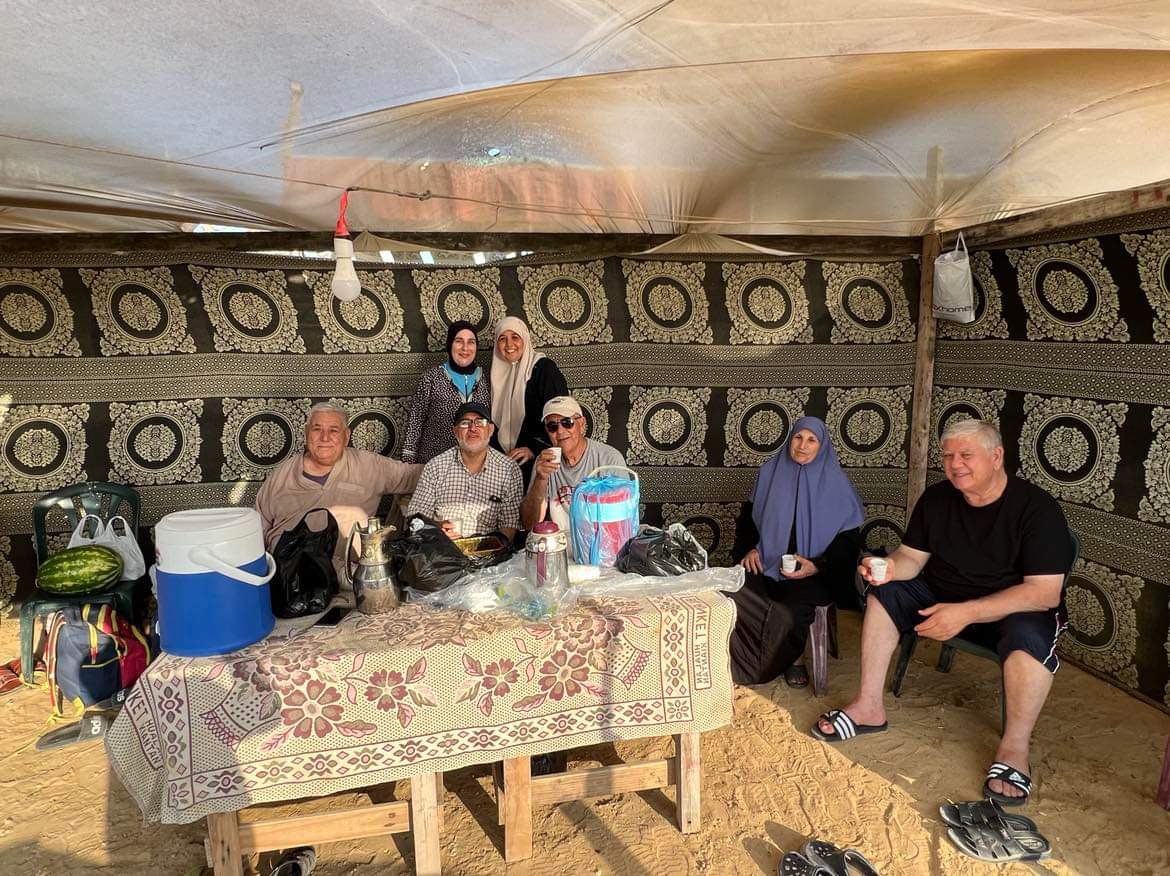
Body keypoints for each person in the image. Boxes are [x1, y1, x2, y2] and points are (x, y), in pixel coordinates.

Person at [811, 418, 1074, 807]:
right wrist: (887, 568)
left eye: (966, 455)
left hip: (1013, 607)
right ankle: (869, 706)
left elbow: (1043, 593)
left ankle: (1014, 748)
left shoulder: (1036, 510)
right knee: (886, 592)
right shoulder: (936, 499)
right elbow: (912, 559)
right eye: (948, 456)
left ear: (996, 456)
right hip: (942, 597)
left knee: (1029, 637)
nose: (955, 464)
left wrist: (966, 612)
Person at [729, 417, 864, 688]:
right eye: (797, 438)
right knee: (734, 593)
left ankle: (793, 658)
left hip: (814, 573)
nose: (802, 445)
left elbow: (848, 539)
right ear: (789, 440)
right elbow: (748, 519)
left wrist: (818, 565)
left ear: (822, 445)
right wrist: (750, 549)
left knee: (791, 610)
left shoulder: (836, 482)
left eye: (811, 440)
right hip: (766, 563)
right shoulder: (770, 472)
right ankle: (740, 659)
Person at [255, 402, 421, 577]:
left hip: (350, 575)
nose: (325, 438)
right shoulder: (283, 474)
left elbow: (416, 475)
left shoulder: (369, 465)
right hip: (291, 577)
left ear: (346, 436)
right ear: (306, 433)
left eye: (333, 430)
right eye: (317, 429)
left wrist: (450, 462)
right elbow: (258, 526)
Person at [407, 402, 523, 541]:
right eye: (465, 423)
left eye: (480, 422)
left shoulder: (509, 470)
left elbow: (509, 526)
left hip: (488, 554)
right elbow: (415, 517)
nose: (472, 428)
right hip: (442, 551)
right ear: (455, 431)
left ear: (491, 429)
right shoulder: (436, 467)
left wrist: (489, 552)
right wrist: (437, 529)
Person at [519, 395, 626, 543]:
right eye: (552, 426)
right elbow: (529, 523)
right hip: (562, 544)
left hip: (601, 543)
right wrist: (540, 479)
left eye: (567, 422)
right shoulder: (545, 461)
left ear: (581, 424)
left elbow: (622, 520)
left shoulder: (609, 459)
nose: (560, 431)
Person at [489, 316, 568, 481]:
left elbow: (560, 415)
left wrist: (534, 449)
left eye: (515, 337)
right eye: (502, 339)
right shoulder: (496, 374)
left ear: (525, 338)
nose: (509, 344)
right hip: (505, 465)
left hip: (537, 463)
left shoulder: (544, 369)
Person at [401, 320, 491, 465]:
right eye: (459, 341)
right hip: (435, 462)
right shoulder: (431, 378)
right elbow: (416, 421)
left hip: (476, 463)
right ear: (450, 345)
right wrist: (408, 460)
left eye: (471, 342)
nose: (465, 348)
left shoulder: (488, 377)